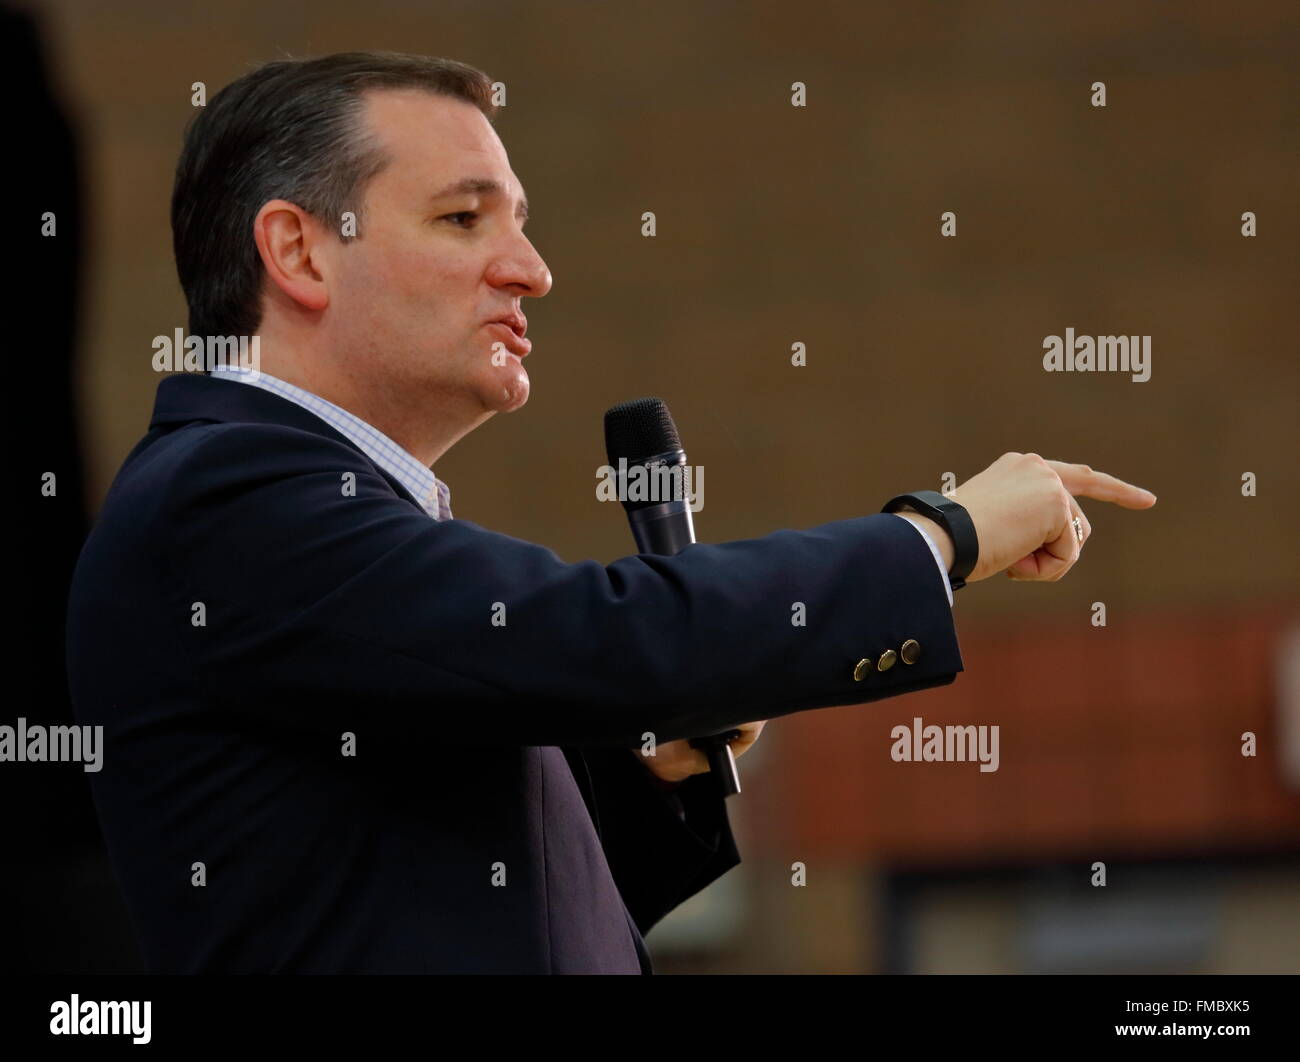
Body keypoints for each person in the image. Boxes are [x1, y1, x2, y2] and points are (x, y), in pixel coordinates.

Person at [66, 51, 1156, 974]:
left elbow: (457, 901)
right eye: (461, 217)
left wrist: (646, 769)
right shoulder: (225, 497)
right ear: (299, 250)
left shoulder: (285, 508)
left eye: (524, 225)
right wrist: (940, 535)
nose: (531, 271)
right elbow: (597, 627)